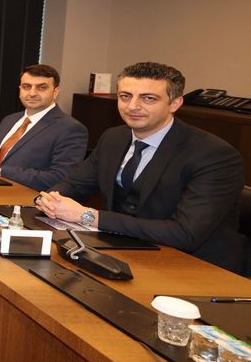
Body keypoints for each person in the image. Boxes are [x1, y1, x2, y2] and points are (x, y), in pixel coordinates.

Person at [36, 62, 246, 273]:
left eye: (148, 98)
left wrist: (87, 215)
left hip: (194, 267)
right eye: (125, 96)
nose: (132, 106)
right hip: (123, 251)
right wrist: (50, 200)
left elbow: (185, 233)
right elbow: (75, 184)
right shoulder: (113, 137)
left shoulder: (214, 155)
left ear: (174, 104)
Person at [0, 64, 87, 190]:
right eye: (26, 87)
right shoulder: (9, 120)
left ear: (55, 92)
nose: (32, 93)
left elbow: (59, 177)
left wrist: (1, 172)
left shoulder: (70, 129)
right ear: (20, 89)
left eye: (41, 87)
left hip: (26, 196)